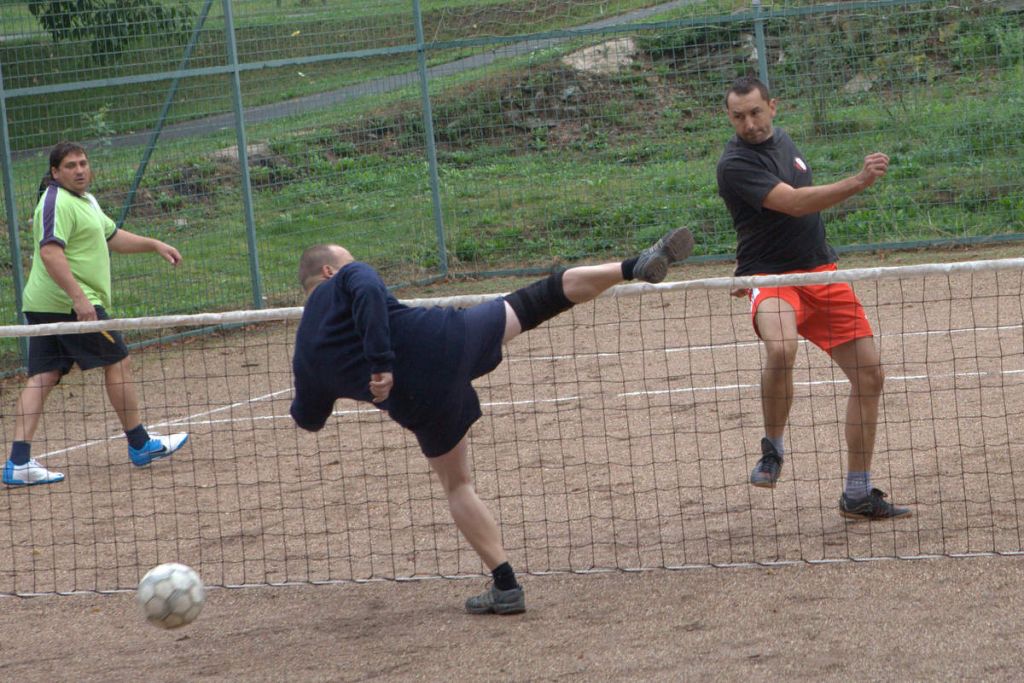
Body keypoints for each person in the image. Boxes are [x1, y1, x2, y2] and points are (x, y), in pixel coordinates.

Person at [290, 228, 694, 614]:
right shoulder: (348, 277)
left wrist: (344, 375)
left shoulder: (305, 353)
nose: (355, 264)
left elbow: (309, 418)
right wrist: (381, 361)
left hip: (419, 402)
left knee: (458, 486)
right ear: (329, 271)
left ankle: (506, 585)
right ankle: (632, 266)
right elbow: (366, 286)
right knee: (541, 298)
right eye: (349, 261)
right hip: (445, 340)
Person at [715, 76, 909, 520]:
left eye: (755, 112)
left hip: (821, 273)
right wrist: (859, 181)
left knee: (870, 377)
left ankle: (857, 494)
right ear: (729, 117)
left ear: (773, 107)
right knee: (782, 348)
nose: (749, 123)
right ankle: (773, 450)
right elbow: (797, 204)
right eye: (738, 116)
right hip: (772, 279)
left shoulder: (784, 142)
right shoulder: (734, 164)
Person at [3, 142, 190, 487]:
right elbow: (50, 253)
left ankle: (18, 462)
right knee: (118, 360)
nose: (79, 170)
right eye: (70, 165)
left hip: (50, 303)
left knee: (44, 376)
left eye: (83, 163)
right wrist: (79, 299)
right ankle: (140, 444)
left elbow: (112, 237)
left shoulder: (85, 201)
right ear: (55, 172)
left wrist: (154, 244)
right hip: (68, 304)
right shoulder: (55, 201)